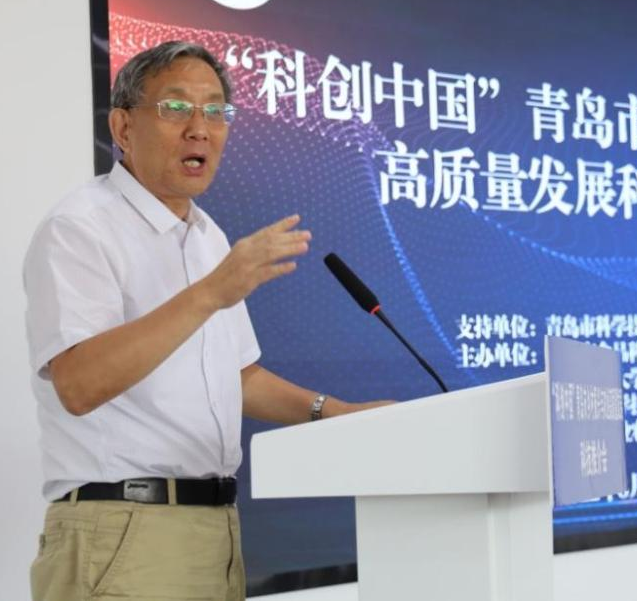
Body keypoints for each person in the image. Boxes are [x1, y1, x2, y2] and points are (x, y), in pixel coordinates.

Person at [24, 40, 384, 601]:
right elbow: (78, 383)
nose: (200, 129)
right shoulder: (81, 227)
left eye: (216, 111)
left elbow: (238, 378)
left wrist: (336, 413)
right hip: (123, 529)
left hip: (215, 530)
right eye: (176, 108)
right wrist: (212, 292)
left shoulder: (207, 235)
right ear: (122, 127)